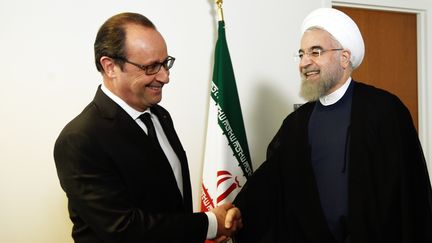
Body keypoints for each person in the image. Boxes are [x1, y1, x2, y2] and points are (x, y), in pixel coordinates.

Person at [233, 7, 432, 243]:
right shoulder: (296, 124)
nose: (305, 62)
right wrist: (238, 211)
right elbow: (270, 181)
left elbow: (411, 193)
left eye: (315, 52)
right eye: (302, 54)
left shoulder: (385, 110)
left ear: (344, 57)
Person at [54, 12, 241, 243]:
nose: (165, 77)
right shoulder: (80, 139)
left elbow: (169, 204)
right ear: (110, 66)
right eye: (151, 67)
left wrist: (196, 233)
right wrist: (210, 225)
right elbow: (123, 229)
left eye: (165, 63)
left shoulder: (160, 116)